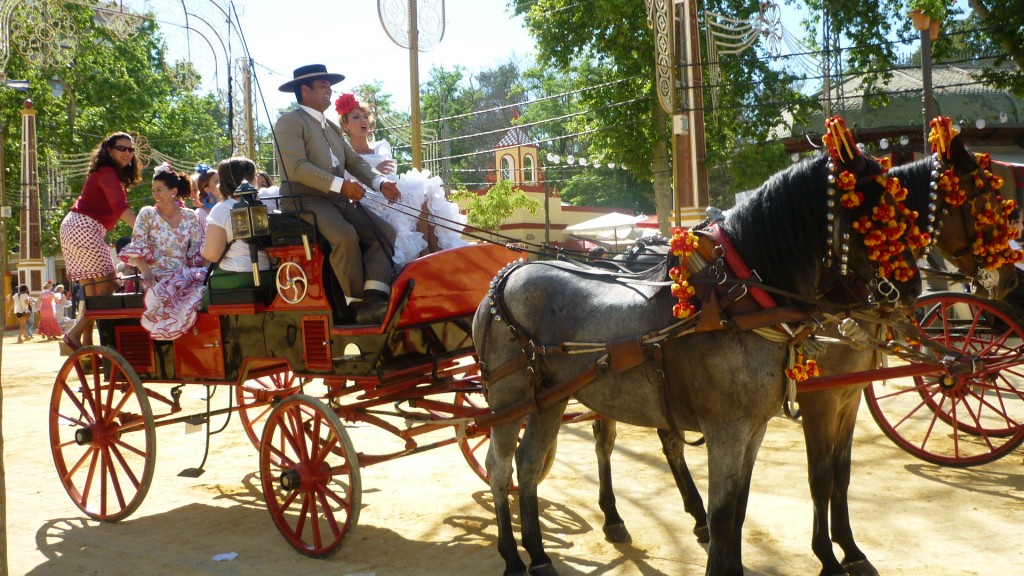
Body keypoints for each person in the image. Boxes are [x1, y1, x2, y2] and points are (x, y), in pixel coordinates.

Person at [274, 64, 401, 325]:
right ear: (305, 90)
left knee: (384, 233)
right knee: (345, 237)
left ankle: (374, 299)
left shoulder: (330, 126)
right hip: (304, 200)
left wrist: (380, 183)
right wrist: (341, 186)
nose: (329, 90)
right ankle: (354, 307)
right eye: (323, 86)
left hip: (336, 199)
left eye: (329, 86)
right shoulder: (289, 122)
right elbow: (296, 168)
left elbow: (353, 161)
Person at [336, 93, 467, 267]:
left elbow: (387, 168)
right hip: (368, 202)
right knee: (410, 204)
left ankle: (431, 251)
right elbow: (357, 178)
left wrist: (375, 173)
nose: (363, 120)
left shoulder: (381, 145)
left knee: (425, 189)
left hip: (390, 193)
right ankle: (424, 256)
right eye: (356, 116)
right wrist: (373, 172)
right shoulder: (344, 155)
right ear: (345, 125)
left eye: (365, 116)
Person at [59, 131, 140, 351]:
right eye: (122, 148)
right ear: (109, 150)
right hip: (85, 228)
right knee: (108, 288)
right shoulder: (107, 172)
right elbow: (119, 207)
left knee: (92, 292)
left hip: (75, 227)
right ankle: (74, 335)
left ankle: (86, 348)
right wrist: (146, 230)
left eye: (131, 149)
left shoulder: (105, 173)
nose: (127, 153)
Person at [119, 163, 206, 340]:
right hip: (155, 279)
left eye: (159, 190)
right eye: (153, 190)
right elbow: (138, 247)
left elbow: (195, 253)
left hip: (183, 278)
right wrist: (147, 273)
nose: (155, 195)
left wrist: (197, 277)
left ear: (173, 191)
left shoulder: (190, 216)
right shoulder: (147, 214)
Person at [201, 157, 273, 288]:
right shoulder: (268, 202)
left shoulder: (223, 209)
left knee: (193, 300)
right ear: (253, 180)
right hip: (271, 274)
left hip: (235, 276)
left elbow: (212, 255)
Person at [191, 163, 220, 236]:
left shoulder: (230, 206)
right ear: (207, 189)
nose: (221, 183)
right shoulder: (199, 214)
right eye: (217, 181)